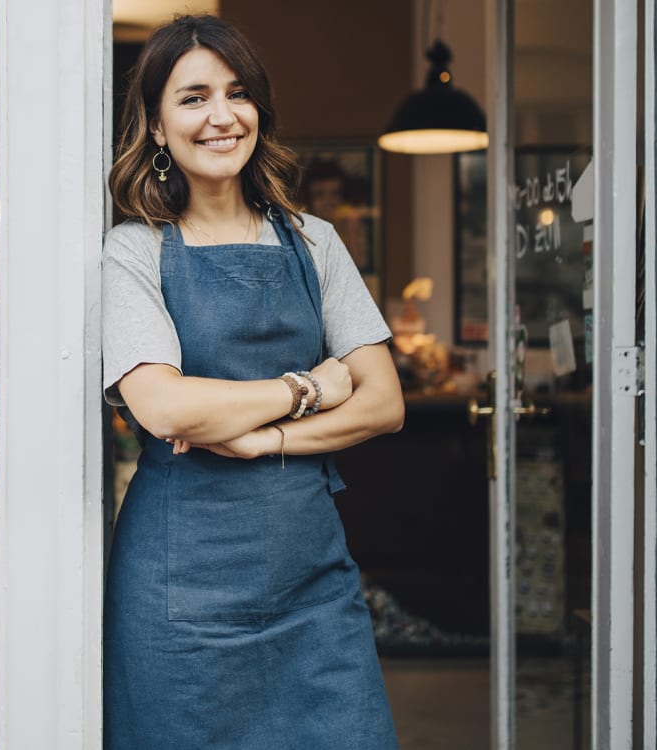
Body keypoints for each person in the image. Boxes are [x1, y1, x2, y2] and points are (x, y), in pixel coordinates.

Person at [101, 14, 406, 749]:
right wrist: (309, 388)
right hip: (179, 586)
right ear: (156, 123)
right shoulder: (134, 250)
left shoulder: (313, 240)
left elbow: (385, 402)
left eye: (237, 94)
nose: (220, 116)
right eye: (194, 97)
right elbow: (163, 404)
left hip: (311, 578)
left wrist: (264, 439)